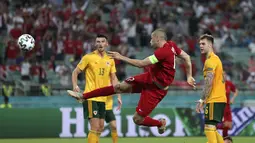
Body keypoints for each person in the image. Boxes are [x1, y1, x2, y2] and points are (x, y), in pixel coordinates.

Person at [68, 28, 196, 134]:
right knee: (119, 87)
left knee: (137, 119)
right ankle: (83, 96)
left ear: (158, 38)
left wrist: (120, 56)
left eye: (152, 38)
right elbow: (187, 57)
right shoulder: (172, 46)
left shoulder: (162, 52)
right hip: (149, 78)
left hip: (156, 89)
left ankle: (160, 123)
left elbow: (141, 64)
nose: (150, 41)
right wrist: (189, 76)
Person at [71, 34, 122, 143]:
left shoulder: (110, 59)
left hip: (103, 98)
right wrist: (75, 85)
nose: (100, 44)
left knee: (101, 127)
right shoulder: (88, 57)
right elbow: (75, 72)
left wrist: (119, 96)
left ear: (106, 44)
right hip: (91, 96)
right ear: (95, 44)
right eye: (98, 41)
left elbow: (114, 79)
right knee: (94, 127)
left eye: (103, 41)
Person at [196, 34, 226, 143]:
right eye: (200, 44)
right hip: (219, 98)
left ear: (210, 45)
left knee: (208, 128)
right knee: (212, 128)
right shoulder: (216, 59)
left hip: (214, 98)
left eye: (203, 43)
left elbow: (209, 82)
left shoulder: (210, 61)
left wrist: (201, 99)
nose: (201, 46)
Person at [217, 72, 238, 137]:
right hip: (220, 107)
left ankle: (224, 139)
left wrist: (232, 99)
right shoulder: (217, 84)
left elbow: (236, 91)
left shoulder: (229, 83)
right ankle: (213, 128)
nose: (225, 76)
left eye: (225, 74)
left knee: (229, 126)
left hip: (228, 107)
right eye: (223, 75)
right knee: (225, 125)